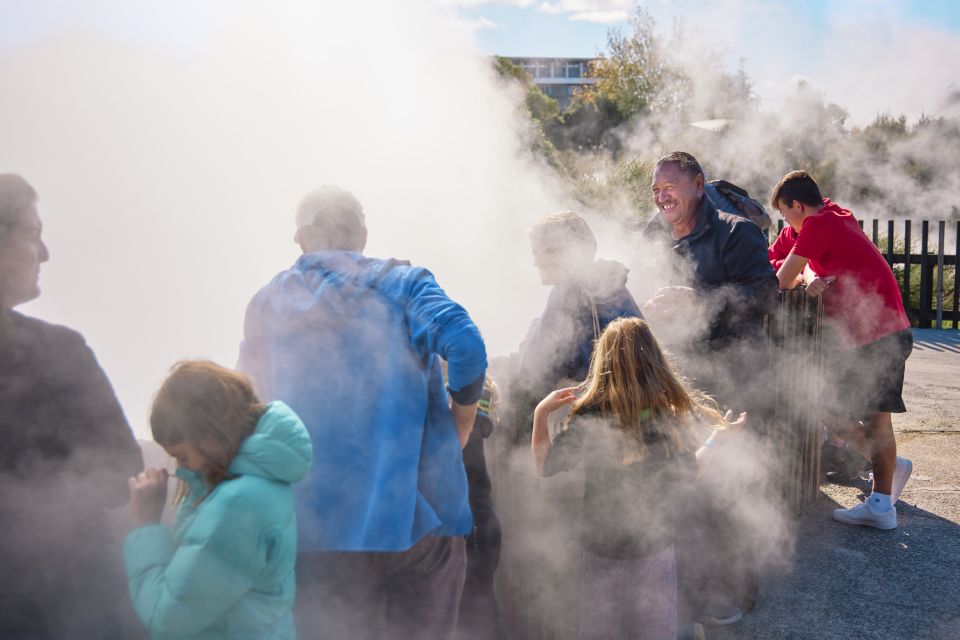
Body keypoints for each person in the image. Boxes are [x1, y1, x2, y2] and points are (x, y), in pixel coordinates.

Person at [238, 186, 487, 640]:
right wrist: (464, 421)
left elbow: (244, 402)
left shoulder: (266, 303)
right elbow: (466, 346)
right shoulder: (404, 284)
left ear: (301, 239)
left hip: (316, 526)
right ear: (363, 235)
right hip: (420, 519)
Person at [531, 317, 745, 640]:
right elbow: (691, 471)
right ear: (653, 360)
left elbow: (543, 465)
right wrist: (716, 439)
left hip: (599, 551)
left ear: (604, 361)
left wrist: (540, 413)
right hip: (653, 552)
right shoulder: (664, 416)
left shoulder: (590, 416)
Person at [0, 174, 144, 639]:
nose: (44, 254)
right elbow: (121, 473)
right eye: (33, 235)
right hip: (63, 601)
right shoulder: (58, 353)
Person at [124, 360, 312, 639]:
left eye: (182, 456)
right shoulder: (257, 485)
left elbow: (169, 620)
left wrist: (146, 527)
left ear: (209, 434)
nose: (182, 468)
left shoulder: (238, 506)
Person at [772, 170, 913, 530]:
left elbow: (780, 279)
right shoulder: (832, 214)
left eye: (785, 213)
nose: (784, 223)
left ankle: (881, 504)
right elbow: (771, 259)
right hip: (875, 335)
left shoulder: (819, 225)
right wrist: (808, 275)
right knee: (835, 409)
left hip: (880, 336)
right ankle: (889, 469)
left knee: (864, 416)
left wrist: (798, 273)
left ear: (798, 206)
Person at [509, 211, 641, 442]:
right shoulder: (610, 282)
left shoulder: (567, 292)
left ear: (560, 252)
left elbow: (535, 369)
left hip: (601, 419)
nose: (534, 261)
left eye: (537, 252)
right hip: (635, 407)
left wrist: (533, 327)